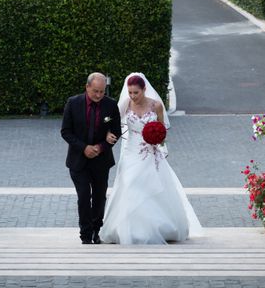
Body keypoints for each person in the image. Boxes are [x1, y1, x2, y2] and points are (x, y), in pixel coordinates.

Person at [99, 72, 204, 244]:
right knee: (130, 184)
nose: (133, 96)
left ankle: (158, 227)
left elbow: (162, 130)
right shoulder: (125, 104)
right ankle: (129, 229)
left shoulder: (156, 106)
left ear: (144, 89)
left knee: (154, 186)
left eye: (136, 93)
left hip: (151, 152)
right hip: (132, 151)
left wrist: (157, 137)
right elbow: (110, 120)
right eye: (130, 92)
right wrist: (108, 130)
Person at [61, 72, 122, 244]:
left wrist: (101, 146)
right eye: (95, 91)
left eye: (102, 91)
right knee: (83, 195)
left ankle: (97, 230)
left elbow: (116, 131)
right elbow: (65, 132)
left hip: (101, 160)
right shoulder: (73, 103)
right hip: (78, 160)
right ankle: (85, 235)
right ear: (87, 87)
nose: (98, 95)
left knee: (99, 196)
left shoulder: (111, 105)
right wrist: (84, 148)